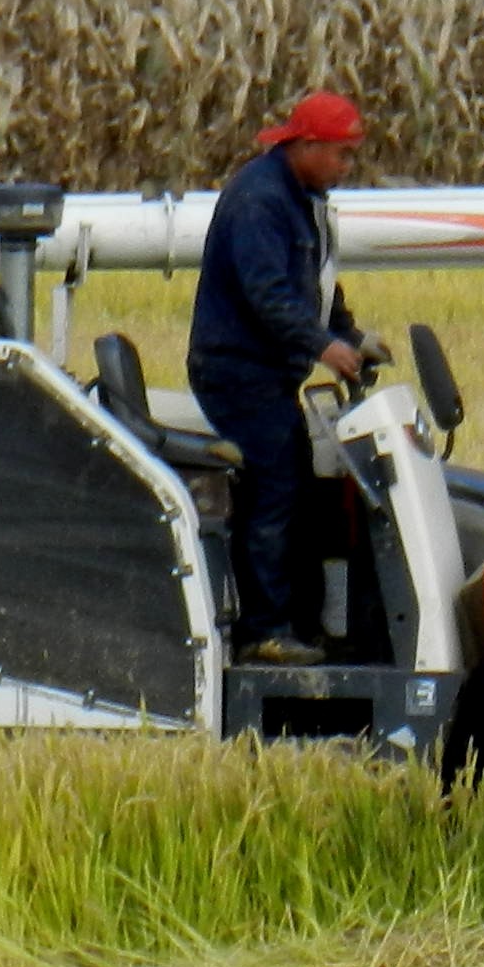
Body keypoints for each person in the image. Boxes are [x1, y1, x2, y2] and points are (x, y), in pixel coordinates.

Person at [189, 90, 386, 662]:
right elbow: (268, 295)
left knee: (298, 487)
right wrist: (325, 347)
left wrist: (348, 334)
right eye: (341, 155)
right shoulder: (260, 201)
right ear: (305, 145)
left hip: (266, 375)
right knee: (276, 488)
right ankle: (264, 632)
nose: (348, 168)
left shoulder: (301, 198)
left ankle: (297, 623)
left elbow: (317, 281)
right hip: (236, 372)